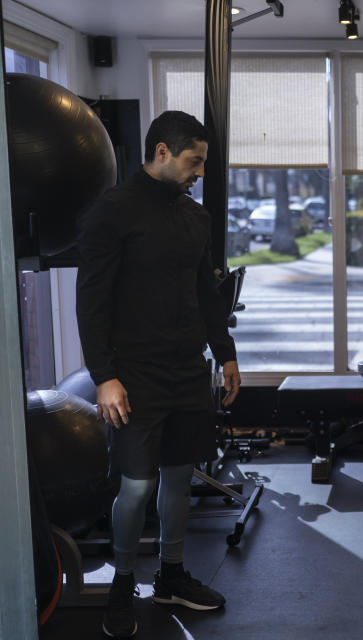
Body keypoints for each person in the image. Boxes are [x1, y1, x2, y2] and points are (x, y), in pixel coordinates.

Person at [76, 110, 242, 638]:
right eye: (194, 162)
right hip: (135, 375)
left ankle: (171, 576)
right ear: (163, 153)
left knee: (178, 475)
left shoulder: (195, 218)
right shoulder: (112, 211)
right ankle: (123, 582)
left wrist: (227, 352)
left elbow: (205, 296)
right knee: (137, 483)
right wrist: (104, 375)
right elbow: (91, 301)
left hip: (187, 372)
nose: (199, 173)